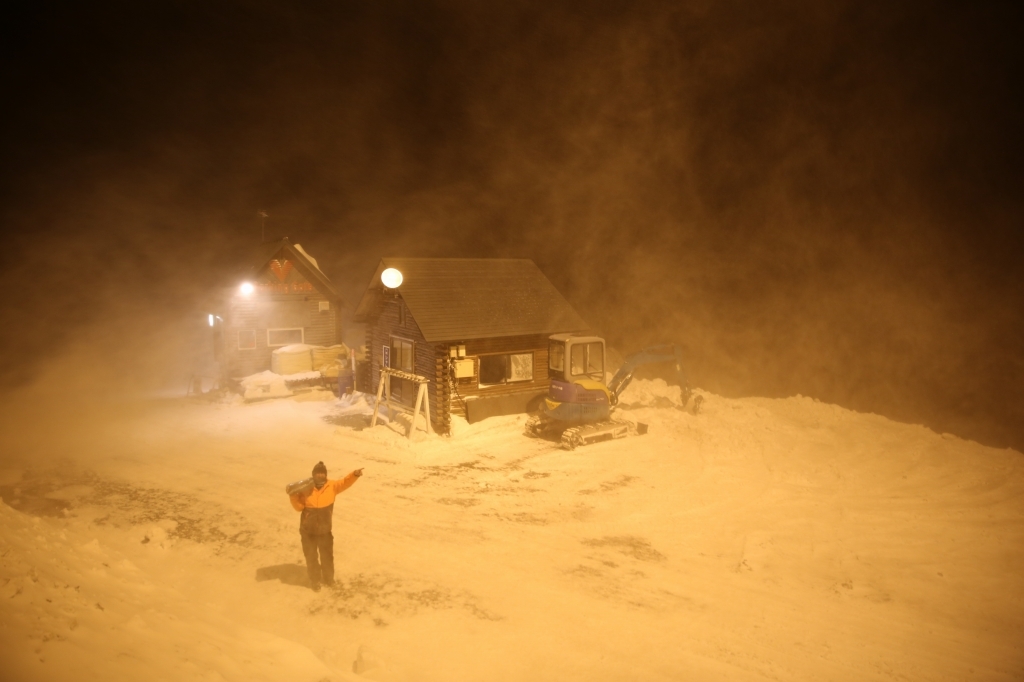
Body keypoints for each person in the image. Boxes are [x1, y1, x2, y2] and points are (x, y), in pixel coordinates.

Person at [289, 461, 363, 591]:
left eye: (322, 473)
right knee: (311, 557)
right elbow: (299, 507)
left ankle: (329, 579)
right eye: (318, 473)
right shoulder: (306, 488)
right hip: (308, 531)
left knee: (327, 557)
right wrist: (293, 497)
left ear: (326, 474)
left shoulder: (332, 486)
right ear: (313, 474)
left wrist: (354, 475)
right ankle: (315, 581)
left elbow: (344, 482)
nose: (320, 475)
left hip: (325, 531)